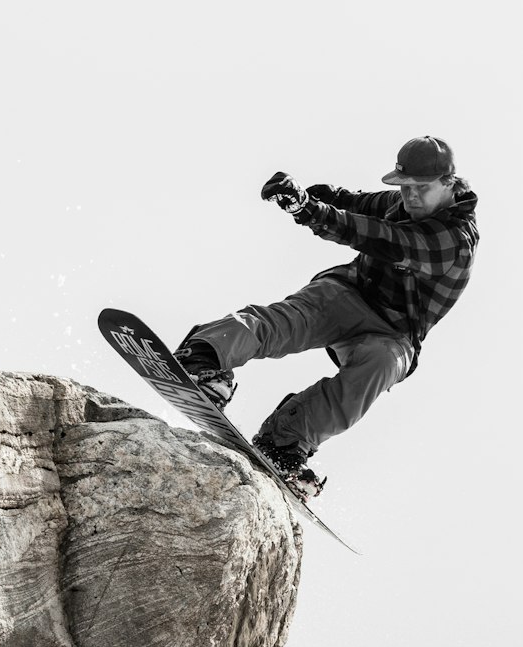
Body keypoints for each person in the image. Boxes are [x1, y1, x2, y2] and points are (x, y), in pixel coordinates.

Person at [175, 136, 479, 498]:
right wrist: (308, 195)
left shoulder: (453, 242)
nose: (410, 197)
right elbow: (356, 203)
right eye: (404, 186)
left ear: (449, 183)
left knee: (380, 368)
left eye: (421, 188)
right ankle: (204, 358)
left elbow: (381, 237)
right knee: (287, 322)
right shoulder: (401, 203)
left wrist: (310, 212)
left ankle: (285, 443)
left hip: (393, 334)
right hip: (350, 292)